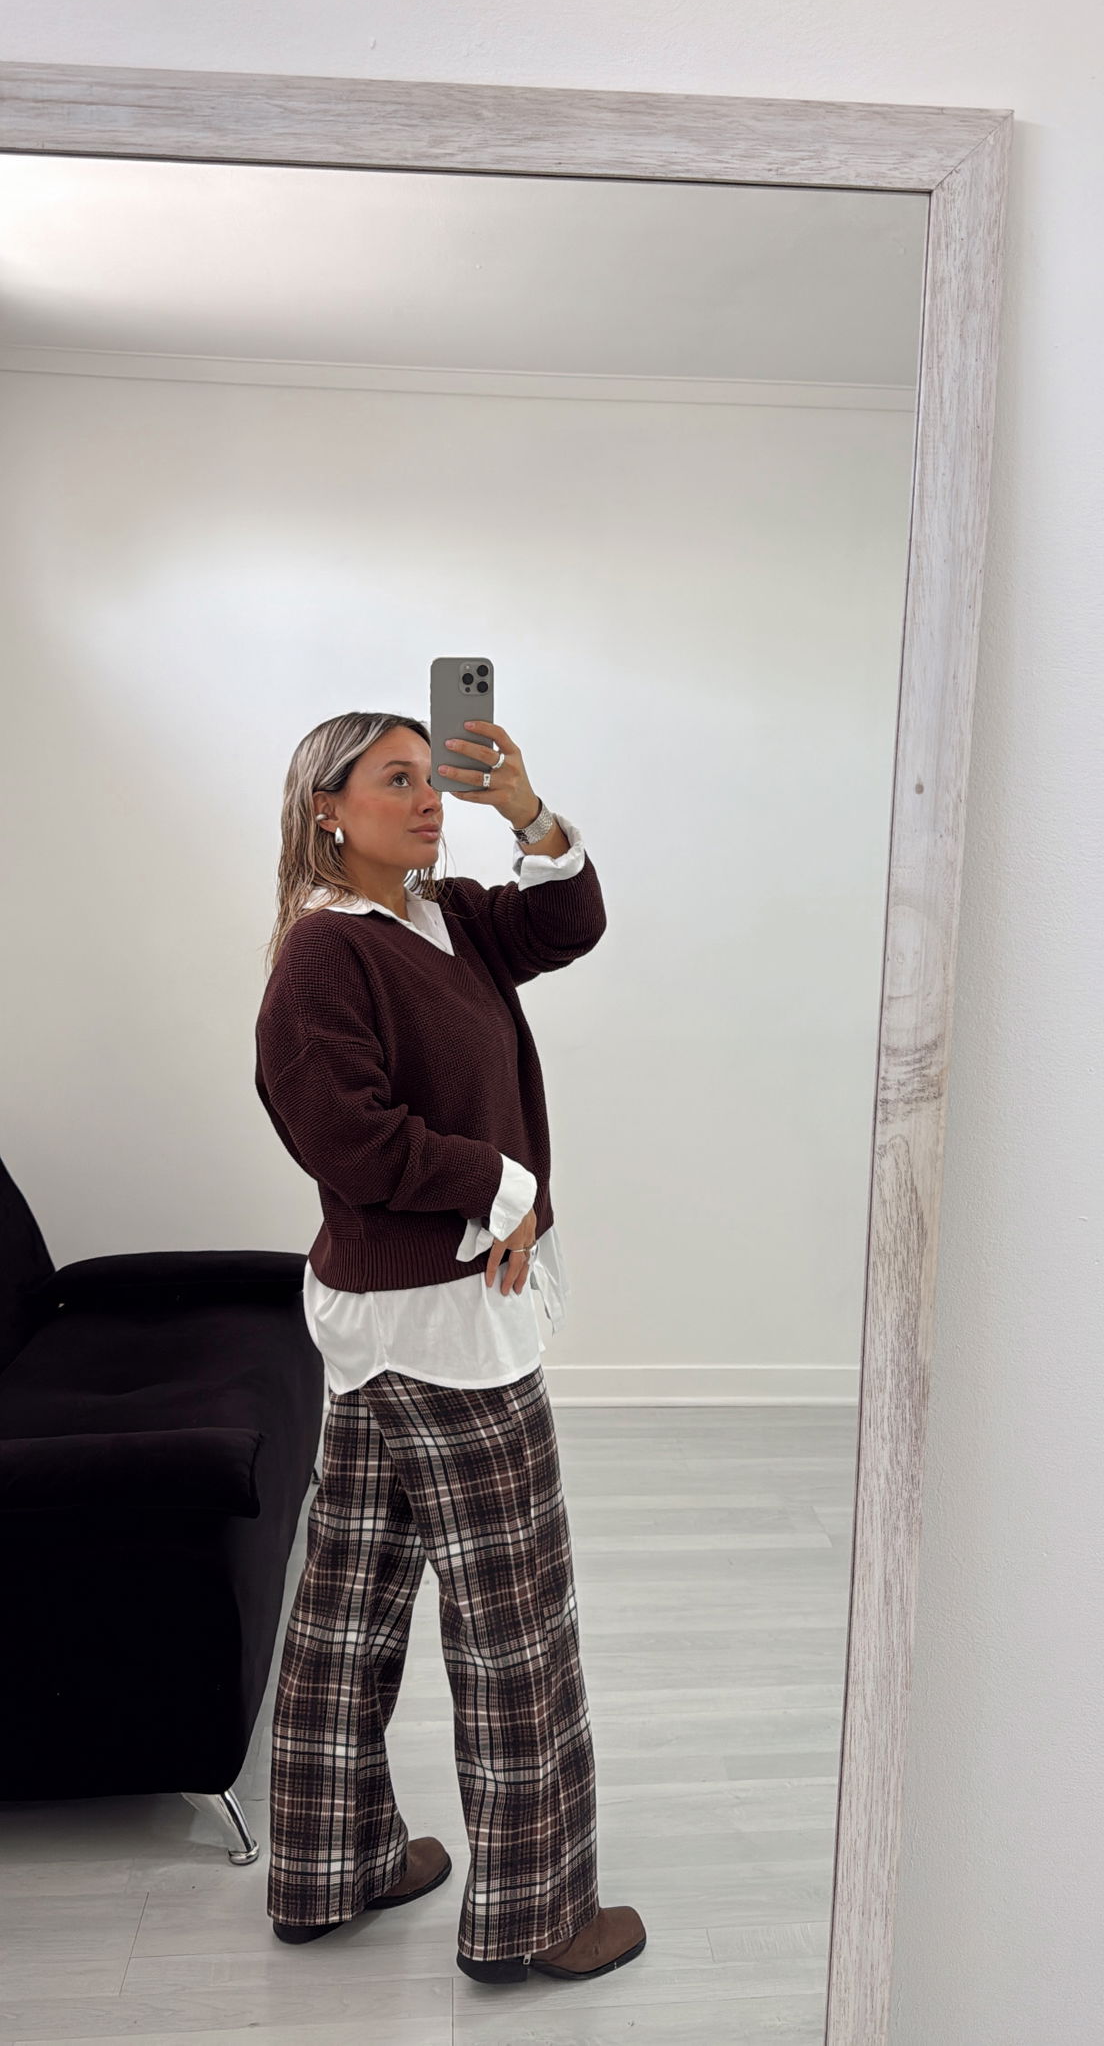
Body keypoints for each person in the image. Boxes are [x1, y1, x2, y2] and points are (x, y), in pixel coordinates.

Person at [252, 706, 646, 1988]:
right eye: (397, 778)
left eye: (436, 777)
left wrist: (523, 806)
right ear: (328, 809)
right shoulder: (326, 952)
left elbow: (571, 921)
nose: (428, 798)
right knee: (515, 1623)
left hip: (395, 1323)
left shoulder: (451, 917)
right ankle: (538, 1914)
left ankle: (331, 1864)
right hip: (441, 1327)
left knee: (350, 1601)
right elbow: (347, 1135)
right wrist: (503, 1184)